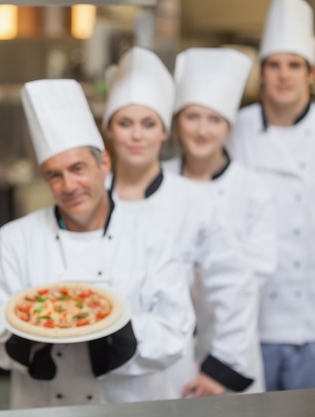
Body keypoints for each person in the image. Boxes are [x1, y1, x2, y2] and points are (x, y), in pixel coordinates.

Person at [0, 79, 195, 408]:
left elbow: (174, 327)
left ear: (104, 163)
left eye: (78, 168)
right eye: (55, 174)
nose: (69, 186)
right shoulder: (15, 239)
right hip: (45, 407)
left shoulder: (150, 236)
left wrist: (115, 337)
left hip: (131, 407)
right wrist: (28, 341)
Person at [103, 46, 260, 398]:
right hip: (97, 375)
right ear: (108, 130)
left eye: (148, 124)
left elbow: (235, 288)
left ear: (164, 132)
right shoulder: (90, 201)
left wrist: (222, 369)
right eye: (124, 123)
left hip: (173, 374)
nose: (136, 136)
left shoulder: (196, 201)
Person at [227, 0, 315, 391]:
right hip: (253, 318)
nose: (283, 75)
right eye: (274, 64)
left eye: (294, 65)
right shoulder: (235, 131)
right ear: (262, 72)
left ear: (311, 73)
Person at [163, 47, 278, 394]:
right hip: (169, 346)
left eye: (214, 119)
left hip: (233, 342)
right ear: (176, 122)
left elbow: (258, 271)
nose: (202, 129)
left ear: (228, 127)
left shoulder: (250, 187)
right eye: (192, 117)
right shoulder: (161, 181)